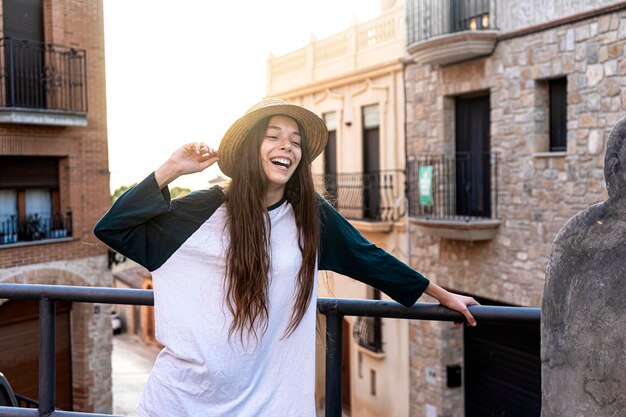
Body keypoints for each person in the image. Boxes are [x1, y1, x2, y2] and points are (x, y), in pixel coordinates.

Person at [94, 98, 478, 417]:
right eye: (273, 136)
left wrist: (444, 297)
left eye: (295, 141)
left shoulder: (310, 217)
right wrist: (173, 168)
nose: (287, 147)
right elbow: (114, 228)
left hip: (273, 406)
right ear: (249, 149)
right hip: (179, 404)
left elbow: (371, 258)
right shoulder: (201, 212)